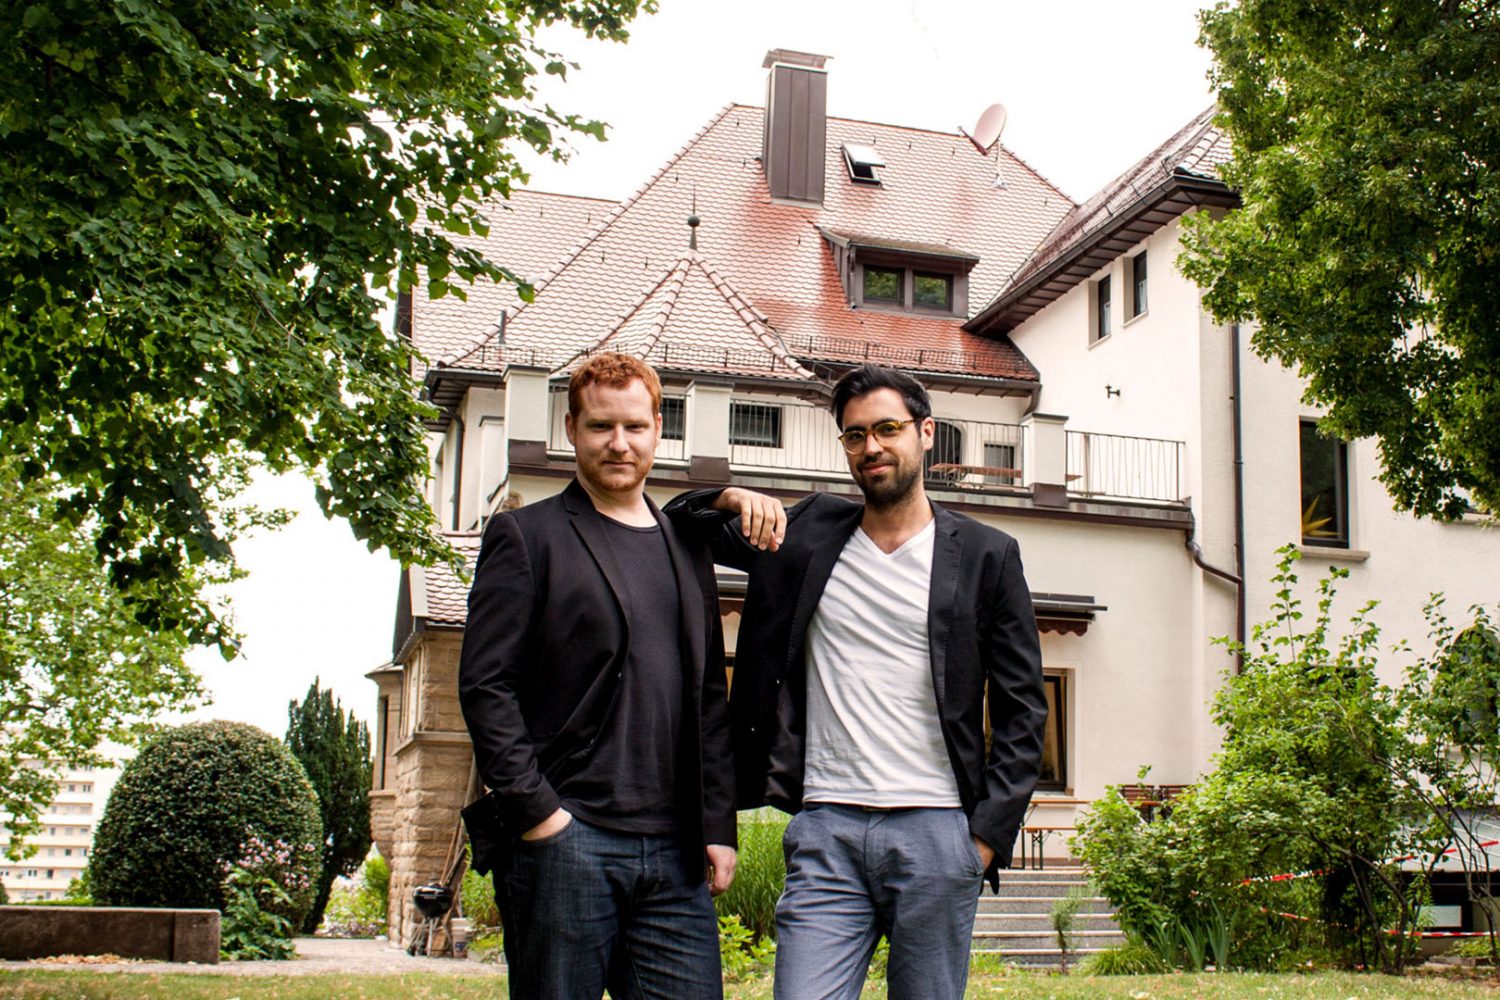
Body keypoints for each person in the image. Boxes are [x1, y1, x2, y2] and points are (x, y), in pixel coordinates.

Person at [666, 364, 1047, 1000]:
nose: (871, 447)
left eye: (887, 429)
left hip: (936, 831)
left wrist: (982, 839)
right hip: (827, 827)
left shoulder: (987, 554)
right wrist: (730, 497)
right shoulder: (806, 533)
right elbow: (679, 525)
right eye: (854, 435)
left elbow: (1022, 709)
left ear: (926, 434)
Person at [458, 352, 736, 1000]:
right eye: (601, 426)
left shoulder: (685, 547)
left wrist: (717, 827)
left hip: (675, 855)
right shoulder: (526, 538)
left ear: (657, 430)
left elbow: (708, 700)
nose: (619, 443)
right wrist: (540, 816)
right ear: (571, 428)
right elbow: (485, 685)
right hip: (567, 842)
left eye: (634, 427)